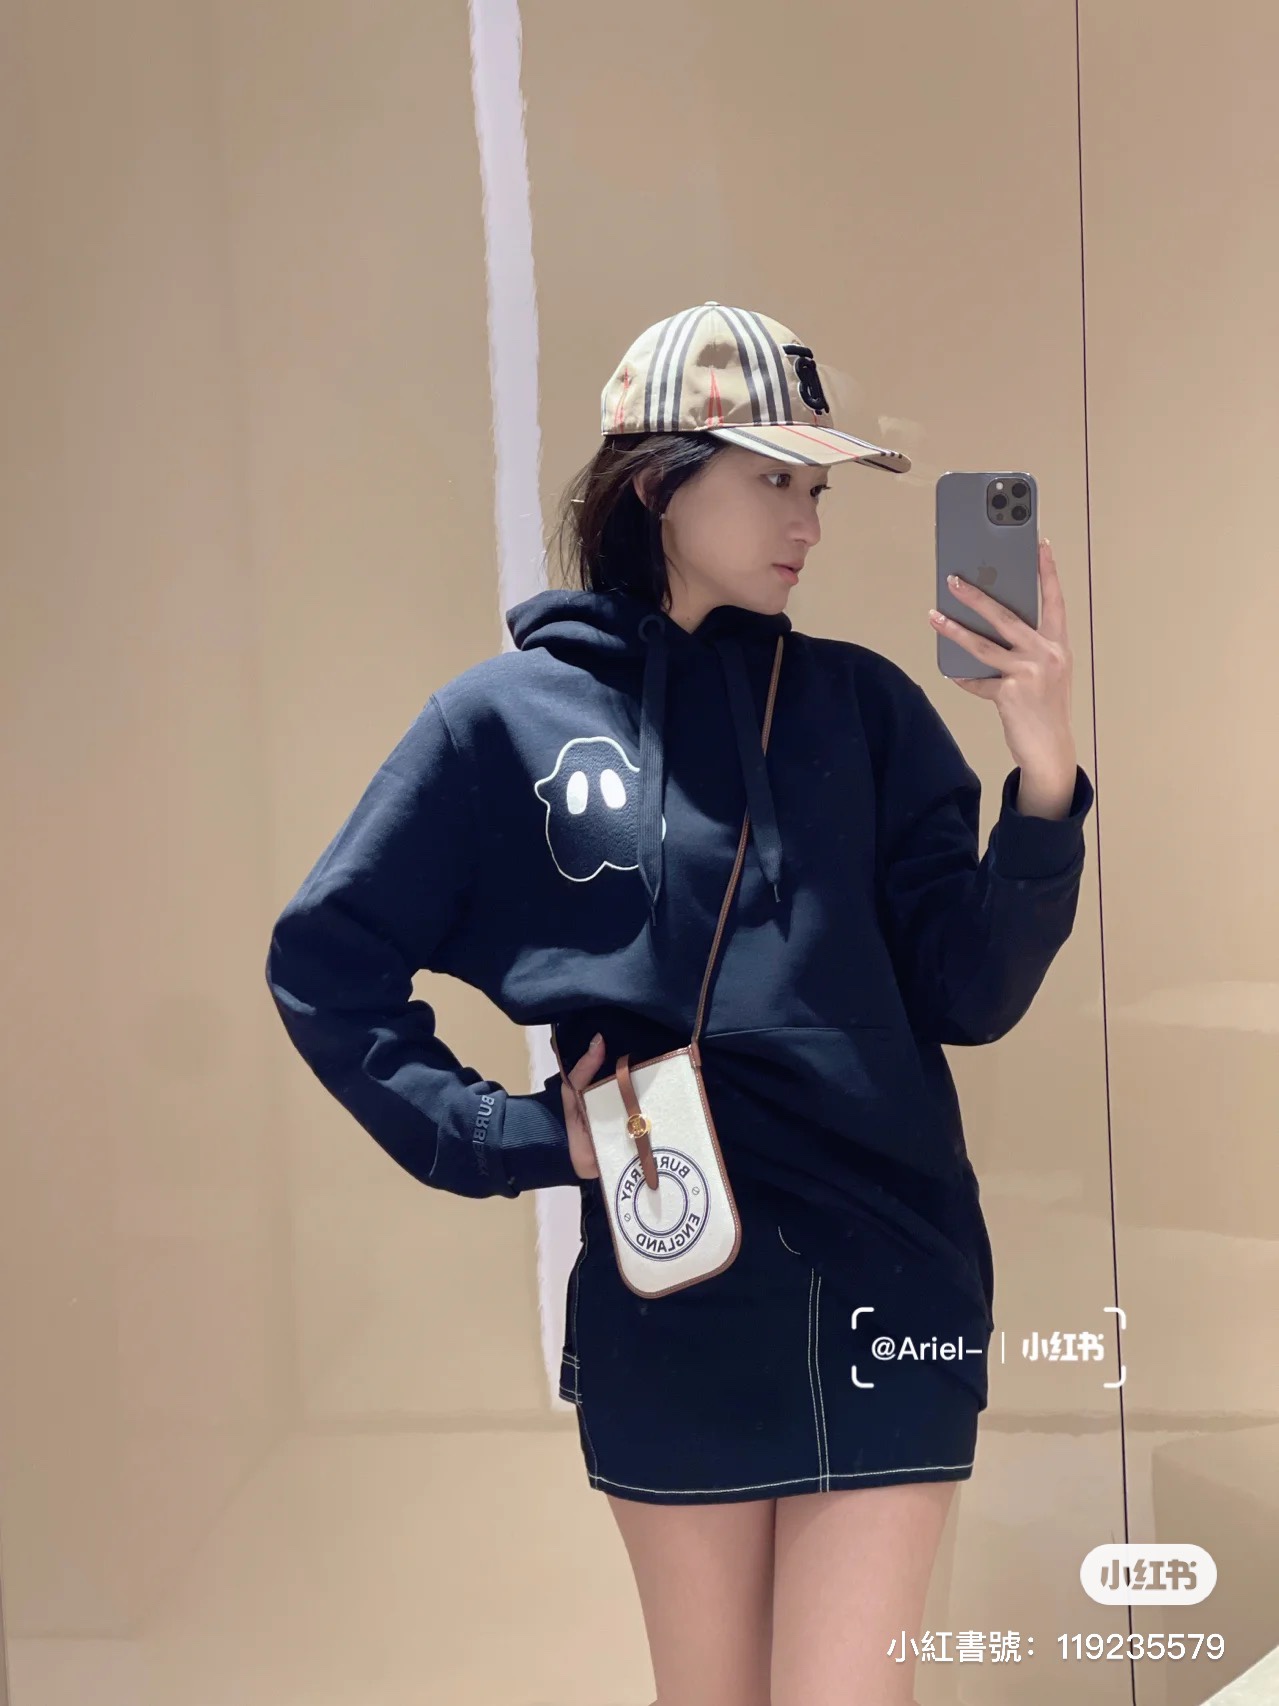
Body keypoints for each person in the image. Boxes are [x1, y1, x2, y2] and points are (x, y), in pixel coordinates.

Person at [265, 301, 1095, 1706]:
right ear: (658, 482)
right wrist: (521, 1133)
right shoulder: (502, 724)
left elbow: (971, 991)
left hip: (891, 1272)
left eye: (818, 490)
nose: (808, 525)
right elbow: (325, 965)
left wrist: (1045, 772)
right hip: (675, 1272)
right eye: (774, 479)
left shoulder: (867, 711)